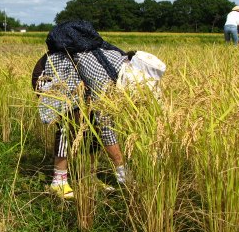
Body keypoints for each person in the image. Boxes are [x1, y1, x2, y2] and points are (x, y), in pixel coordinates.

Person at [32, 21, 166, 199]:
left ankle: (89, 176)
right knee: (70, 120)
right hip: (49, 73)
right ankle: (58, 181)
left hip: (76, 80)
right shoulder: (103, 76)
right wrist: (121, 169)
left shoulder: (119, 60)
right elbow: (106, 126)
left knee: (92, 123)